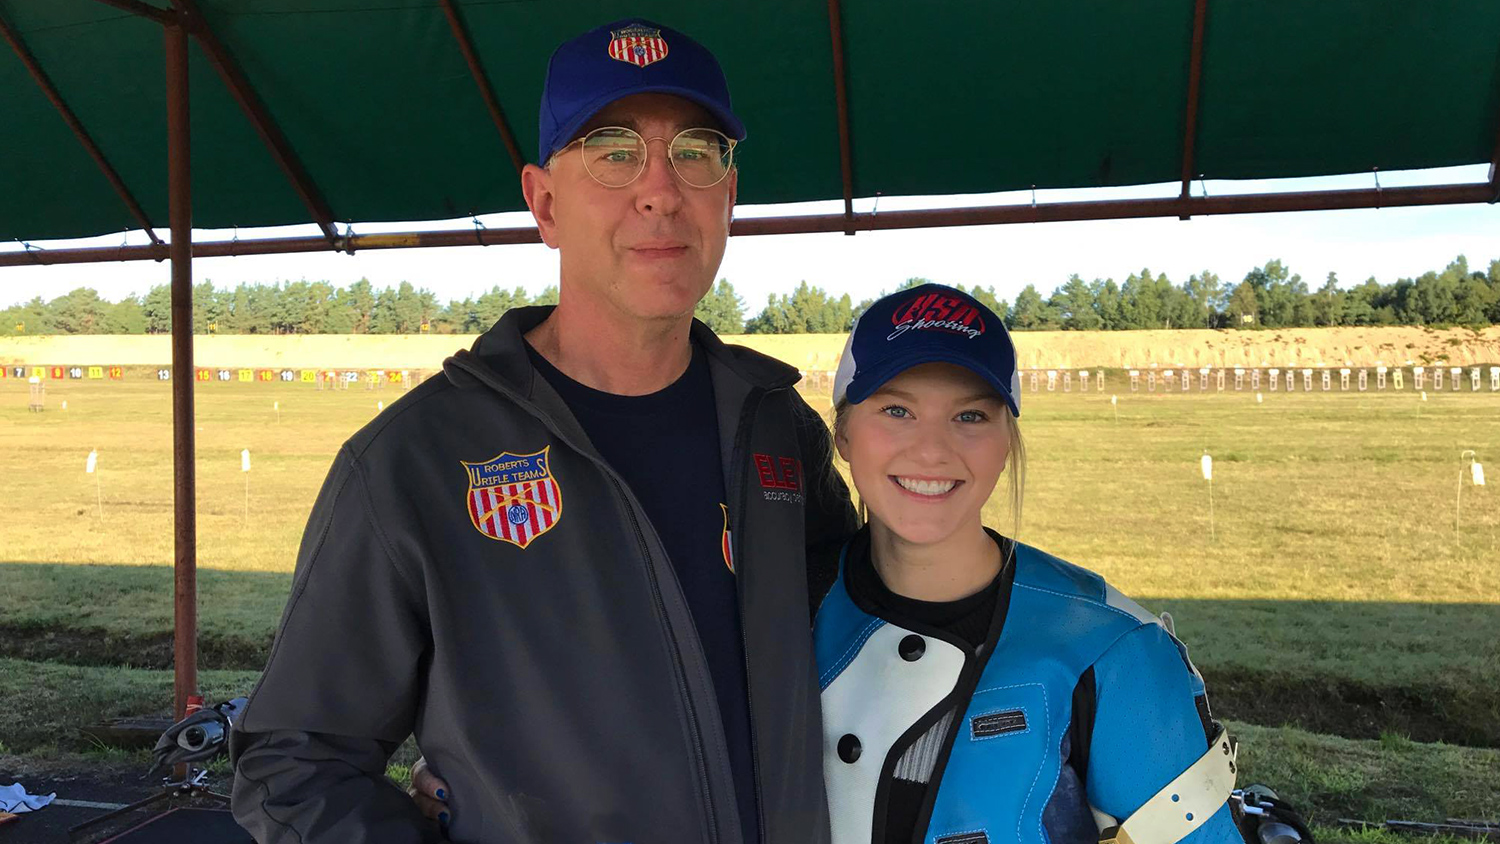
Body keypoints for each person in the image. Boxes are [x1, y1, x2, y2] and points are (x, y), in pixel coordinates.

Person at [230, 18, 856, 844]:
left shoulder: (778, 429)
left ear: (728, 198)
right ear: (544, 202)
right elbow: (293, 762)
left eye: (696, 151)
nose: (661, 188)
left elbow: (860, 651)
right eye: (613, 148)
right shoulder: (411, 464)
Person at [814, 283, 1241, 844]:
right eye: (897, 410)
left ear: (1006, 442)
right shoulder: (783, 608)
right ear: (843, 432)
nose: (932, 450)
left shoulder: (1116, 649)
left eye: (970, 416)